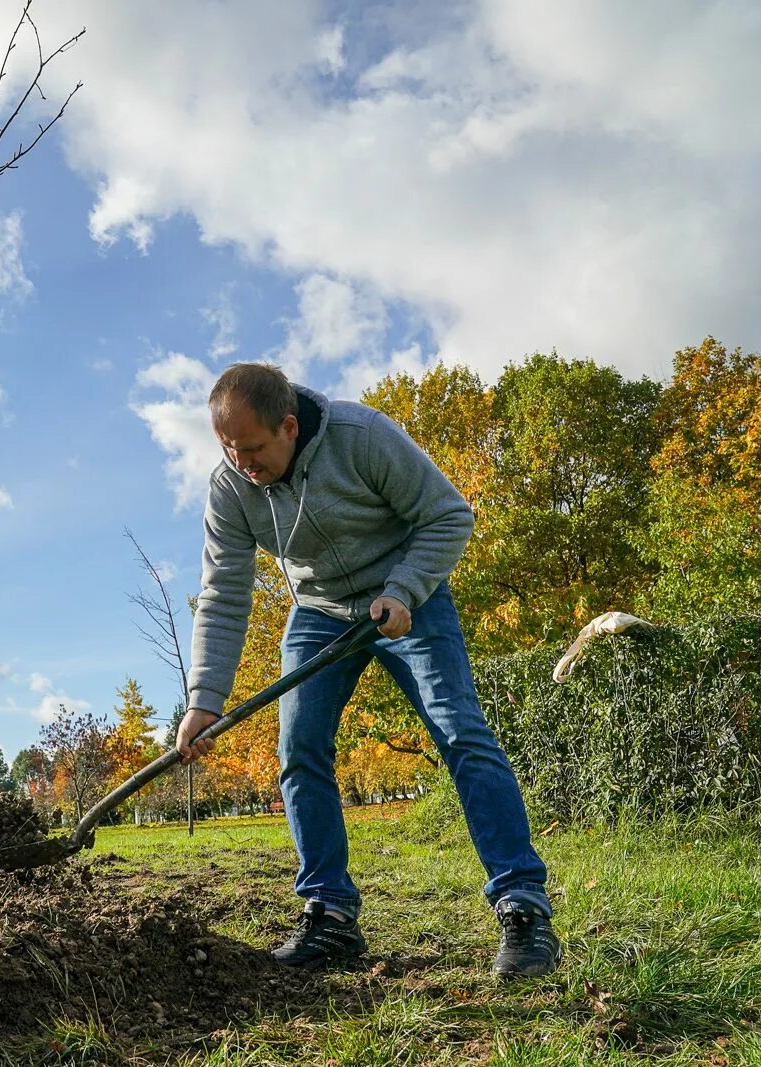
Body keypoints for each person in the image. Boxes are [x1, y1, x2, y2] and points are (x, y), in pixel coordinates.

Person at [176, 363, 560, 978]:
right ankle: (329, 916)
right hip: (320, 612)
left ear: (290, 426)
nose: (243, 464)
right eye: (230, 450)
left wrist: (405, 588)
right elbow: (223, 593)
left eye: (252, 449)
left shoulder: (361, 436)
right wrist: (205, 699)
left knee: (460, 732)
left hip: (409, 600)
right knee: (299, 751)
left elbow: (448, 515)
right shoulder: (231, 487)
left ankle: (523, 907)